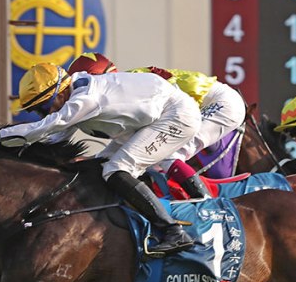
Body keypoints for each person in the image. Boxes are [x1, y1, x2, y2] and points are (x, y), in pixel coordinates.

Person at [0, 62, 202, 256]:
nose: (46, 112)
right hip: (148, 120)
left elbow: (44, 128)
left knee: (116, 170)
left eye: (44, 106)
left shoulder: (85, 100)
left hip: (176, 116)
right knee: (96, 166)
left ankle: (173, 231)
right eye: (37, 110)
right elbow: (53, 138)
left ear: (59, 91)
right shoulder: (75, 92)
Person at [64, 55, 245, 199]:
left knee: (169, 154)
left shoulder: (127, 89)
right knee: (118, 157)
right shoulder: (119, 89)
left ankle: (206, 202)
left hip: (220, 103)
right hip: (194, 106)